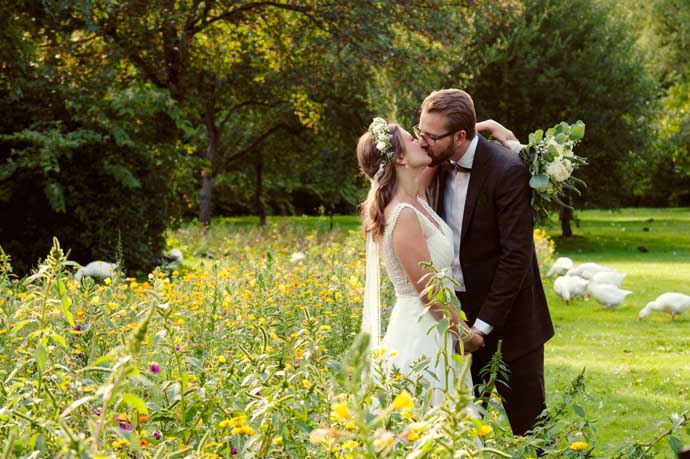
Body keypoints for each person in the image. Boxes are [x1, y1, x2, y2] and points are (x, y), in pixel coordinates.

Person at [418, 88, 554, 436]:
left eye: (430, 136)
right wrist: (459, 324)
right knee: (458, 433)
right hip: (455, 321)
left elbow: (516, 257)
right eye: (420, 132)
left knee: (532, 431)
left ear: (459, 137)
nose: (422, 142)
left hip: (510, 323)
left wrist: (481, 327)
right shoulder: (434, 162)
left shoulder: (507, 171)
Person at [356, 116, 517, 407]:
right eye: (411, 138)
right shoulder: (402, 214)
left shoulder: (415, 196)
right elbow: (428, 290)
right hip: (422, 333)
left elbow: (445, 147)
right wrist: (465, 335)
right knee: (426, 418)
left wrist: (484, 127)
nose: (421, 140)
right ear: (401, 159)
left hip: (437, 328)